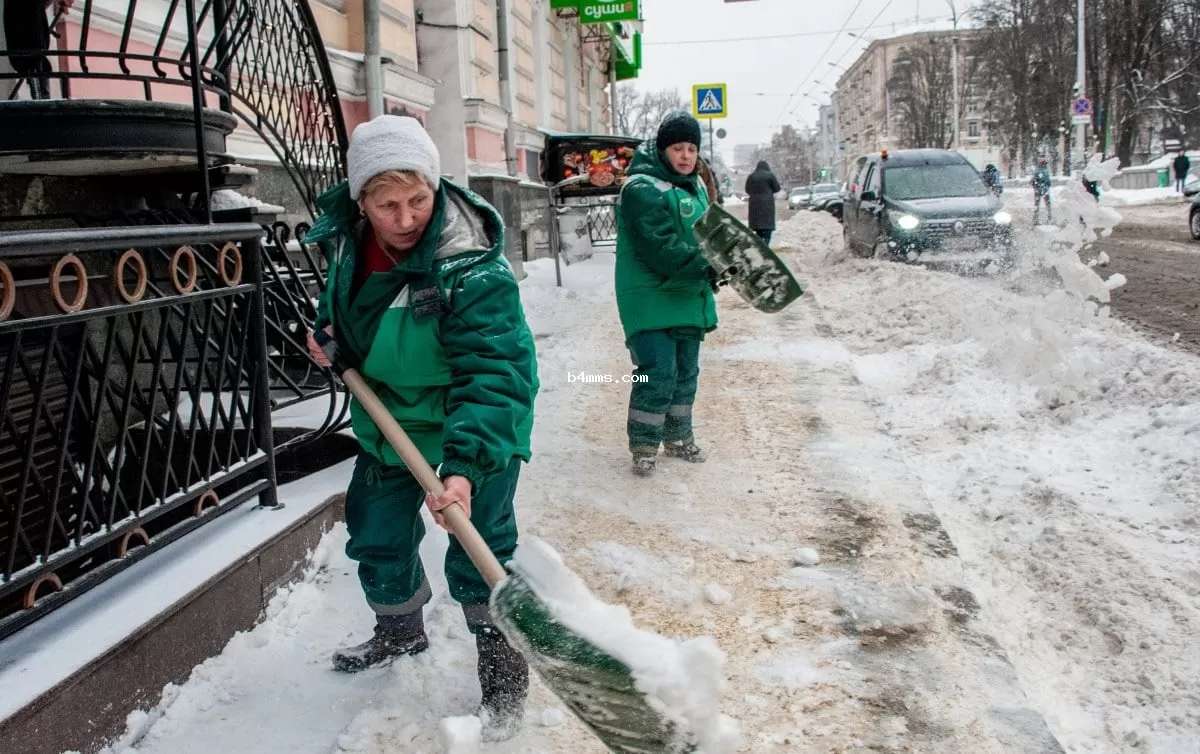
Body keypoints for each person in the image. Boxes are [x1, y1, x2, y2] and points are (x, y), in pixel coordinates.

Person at [303, 115, 538, 741]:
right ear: (362, 202)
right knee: (376, 533)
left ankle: (503, 669)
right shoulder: (346, 244)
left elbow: (495, 369)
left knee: (479, 547)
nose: (405, 219)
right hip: (391, 422)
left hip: (474, 422)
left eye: (418, 200)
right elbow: (349, 316)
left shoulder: (470, 265)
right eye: (387, 206)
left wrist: (463, 469)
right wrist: (329, 338)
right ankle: (399, 630)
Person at [614, 111, 719, 477]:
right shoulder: (641, 189)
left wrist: (723, 265)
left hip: (687, 294)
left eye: (692, 148)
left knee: (686, 373)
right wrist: (705, 267)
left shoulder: (696, 187)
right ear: (662, 150)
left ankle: (678, 437)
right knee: (657, 372)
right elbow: (660, 247)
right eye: (678, 147)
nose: (686, 155)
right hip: (650, 297)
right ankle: (644, 445)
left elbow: (709, 236)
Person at [3, 0, 74, 100]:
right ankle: (41, 103)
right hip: (29, 48)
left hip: (32, 49)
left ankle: (41, 103)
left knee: (38, 69)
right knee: (35, 69)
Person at [744, 159, 781, 245]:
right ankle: (766, 245)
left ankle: (760, 244)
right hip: (767, 203)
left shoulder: (751, 176)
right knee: (767, 226)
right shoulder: (770, 175)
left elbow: (747, 189)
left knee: (758, 226)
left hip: (754, 204)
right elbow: (777, 188)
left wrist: (755, 193)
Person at [1031, 157, 1052, 224]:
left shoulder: (1043, 170)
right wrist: (1040, 185)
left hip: (1041, 189)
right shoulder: (1039, 170)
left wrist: (1037, 186)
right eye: (1044, 163)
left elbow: (1047, 180)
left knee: (1038, 205)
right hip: (1042, 189)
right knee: (1046, 205)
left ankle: (1037, 219)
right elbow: (1033, 181)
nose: (1045, 164)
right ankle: (1048, 219)